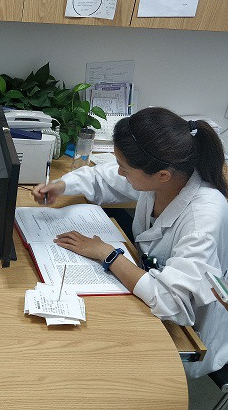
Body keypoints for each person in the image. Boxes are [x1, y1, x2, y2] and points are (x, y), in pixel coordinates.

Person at [32, 107, 228, 379]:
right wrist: (61, 186)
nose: (120, 172)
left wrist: (108, 254)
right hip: (147, 288)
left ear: (162, 175)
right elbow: (102, 177)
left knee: (89, 358)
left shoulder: (203, 220)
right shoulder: (168, 176)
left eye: (124, 168)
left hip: (184, 334)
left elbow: (171, 301)